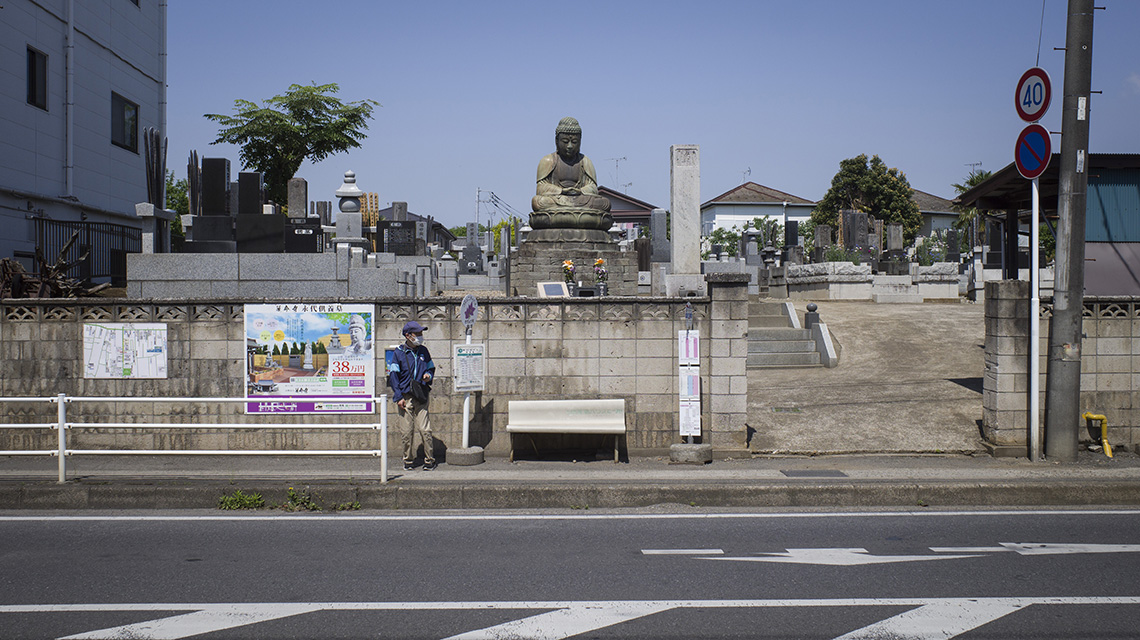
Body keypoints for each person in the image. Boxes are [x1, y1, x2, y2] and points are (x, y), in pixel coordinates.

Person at [531, 117, 612, 215]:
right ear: (556, 141)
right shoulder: (548, 160)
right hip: (558, 199)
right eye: (565, 142)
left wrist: (579, 191)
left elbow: (593, 188)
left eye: (574, 142)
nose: (569, 146)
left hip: (580, 199)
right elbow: (540, 188)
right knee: (538, 202)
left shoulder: (584, 161)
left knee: (604, 203)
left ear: (580, 141)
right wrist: (562, 190)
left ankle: (569, 212)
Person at [389, 320, 436, 470]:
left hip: (421, 394)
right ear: (408, 336)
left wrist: (428, 375)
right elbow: (393, 376)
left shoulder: (424, 351)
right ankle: (408, 461)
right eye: (418, 334)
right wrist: (398, 397)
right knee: (406, 432)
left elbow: (431, 368)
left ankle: (430, 460)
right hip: (405, 396)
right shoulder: (399, 353)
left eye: (421, 333)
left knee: (425, 429)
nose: (421, 337)